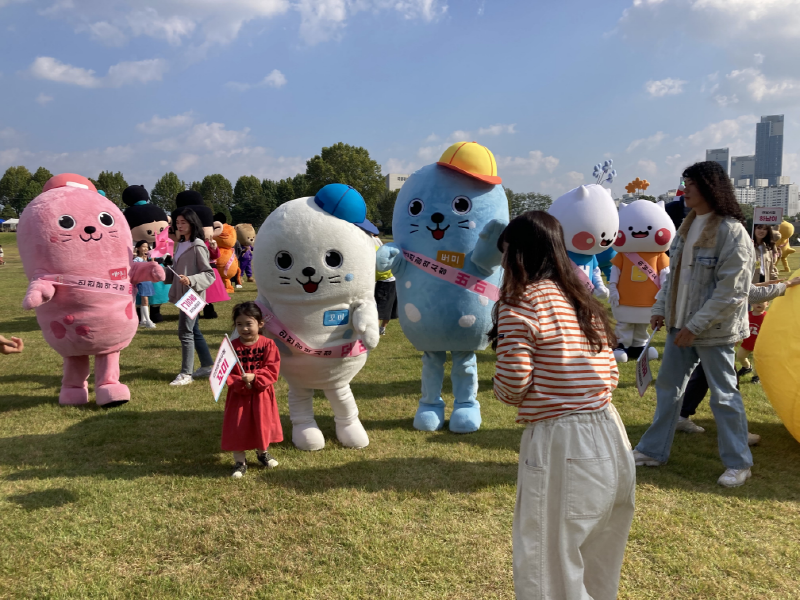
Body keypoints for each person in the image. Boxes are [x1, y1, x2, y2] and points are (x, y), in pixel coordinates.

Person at [490, 211, 635, 600]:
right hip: (610, 433)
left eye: (506, 254)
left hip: (562, 441)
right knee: (599, 558)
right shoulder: (582, 299)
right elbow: (611, 374)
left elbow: (513, 384)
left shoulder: (520, 301)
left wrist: (499, 385)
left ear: (518, 255)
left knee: (548, 566)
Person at [634, 161, 755, 488]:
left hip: (714, 331)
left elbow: (732, 291)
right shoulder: (686, 227)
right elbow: (673, 278)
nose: (684, 189)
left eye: (691, 183)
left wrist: (695, 326)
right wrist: (661, 307)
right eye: (684, 183)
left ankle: (739, 463)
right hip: (678, 325)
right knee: (668, 390)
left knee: (724, 395)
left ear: (710, 187)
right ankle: (652, 451)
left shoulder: (732, 232)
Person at [676, 278, 800, 441]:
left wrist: (764, 284)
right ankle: (736, 431)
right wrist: (786, 285)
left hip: (703, 324)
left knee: (703, 375)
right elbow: (747, 293)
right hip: (716, 329)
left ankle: (681, 416)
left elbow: (739, 287)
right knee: (728, 382)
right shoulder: (733, 253)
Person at [223, 301, 283, 478]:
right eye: (239, 324)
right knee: (238, 426)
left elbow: (272, 368)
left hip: (261, 394)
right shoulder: (231, 347)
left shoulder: (268, 345)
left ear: (260, 324)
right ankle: (240, 462)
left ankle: (262, 453)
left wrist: (255, 377)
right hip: (238, 396)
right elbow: (226, 372)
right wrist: (240, 383)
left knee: (261, 424)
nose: (244, 329)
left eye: (249, 324)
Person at [164, 207, 217, 386]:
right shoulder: (181, 244)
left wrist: (191, 280)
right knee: (194, 330)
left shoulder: (198, 246)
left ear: (192, 223)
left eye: (183, 222)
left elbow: (209, 274)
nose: (179, 226)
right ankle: (207, 365)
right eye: (177, 223)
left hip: (192, 296)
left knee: (185, 332)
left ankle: (186, 374)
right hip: (185, 295)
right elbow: (177, 271)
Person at [373, 235, 397, 335]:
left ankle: (377, 330)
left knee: (380, 307)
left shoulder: (372, 249)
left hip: (386, 281)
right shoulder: (378, 246)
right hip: (388, 280)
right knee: (387, 306)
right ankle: (381, 329)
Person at [133, 241, 157, 329]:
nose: (146, 248)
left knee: (146, 301)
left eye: (147, 247)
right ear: (138, 248)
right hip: (142, 281)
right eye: (143, 247)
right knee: (145, 300)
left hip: (148, 281)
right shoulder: (136, 260)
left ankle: (143, 320)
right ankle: (148, 320)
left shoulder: (148, 259)